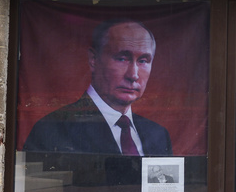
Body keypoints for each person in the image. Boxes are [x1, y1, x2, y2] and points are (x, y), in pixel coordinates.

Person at [22, 19, 172, 155]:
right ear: (93, 60)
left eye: (143, 61)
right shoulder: (52, 130)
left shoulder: (158, 134)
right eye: (122, 59)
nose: (133, 75)